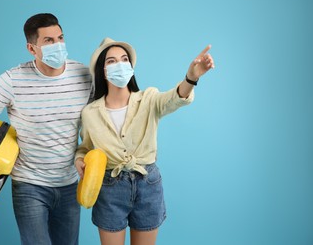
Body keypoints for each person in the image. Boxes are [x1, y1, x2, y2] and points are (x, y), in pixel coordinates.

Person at [0, 13, 93, 245]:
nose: (58, 45)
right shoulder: (12, 80)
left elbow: (102, 119)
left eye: (60, 38)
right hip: (29, 185)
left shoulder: (84, 76)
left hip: (69, 184)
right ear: (32, 48)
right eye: (49, 41)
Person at [75, 37, 215, 245]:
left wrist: (191, 78)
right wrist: (79, 159)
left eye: (124, 59)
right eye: (111, 61)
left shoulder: (149, 99)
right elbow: (85, 148)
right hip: (109, 187)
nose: (120, 64)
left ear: (131, 67)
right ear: (102, 70)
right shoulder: (89, 113)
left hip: (147, 183)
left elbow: (174, 98)